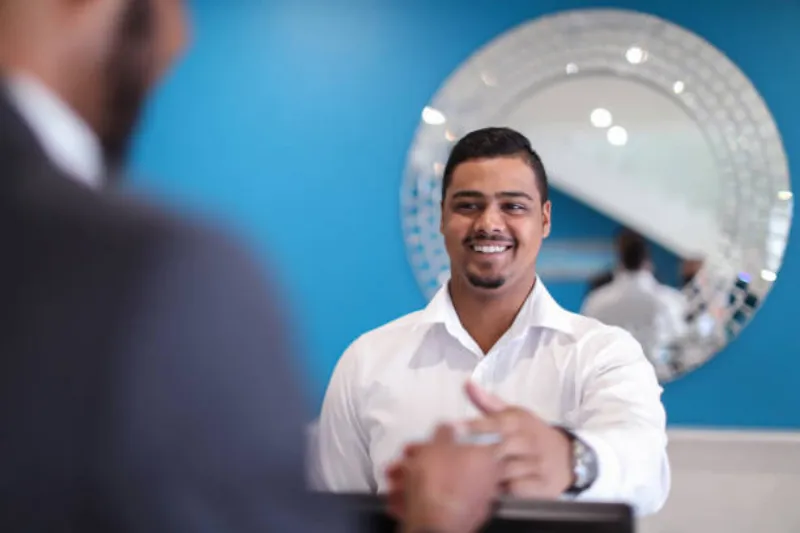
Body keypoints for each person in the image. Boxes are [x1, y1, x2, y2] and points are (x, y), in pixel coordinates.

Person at [316, 127, 670, 516]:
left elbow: (646, 469)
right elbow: (330, 517)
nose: (488, 223)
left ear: (544, 219)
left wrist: (571, 460)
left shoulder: (603, 354)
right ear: (442, 217)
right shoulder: (366, 362)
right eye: (468, 205)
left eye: (513, 206)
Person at [581, 229, 688, 370]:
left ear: (619, 259)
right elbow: (683, 343)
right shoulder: (672, 301)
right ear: (648, 261)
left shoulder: (596, 303)